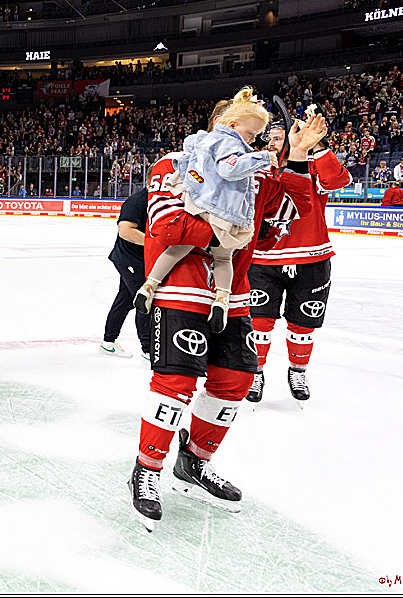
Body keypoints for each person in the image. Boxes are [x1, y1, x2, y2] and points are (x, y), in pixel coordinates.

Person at [128, 109, 326, 532]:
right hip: (179, 288)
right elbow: (167, 228)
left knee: (236, 380)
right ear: (224, 124)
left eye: (257, 136)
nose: (251, 140)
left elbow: (293, 212)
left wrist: (299, 154)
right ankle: (147, 468)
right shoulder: (176, 164)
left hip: (231, 296)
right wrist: (233, 226)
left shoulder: (255, 176)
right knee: (175, 384)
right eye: (245, 130)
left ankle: (194, 462)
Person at [134, 88, 277, 334]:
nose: (254, 140)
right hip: (219, 208)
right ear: (229, 123)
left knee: (178, 249)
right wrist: (262, 158)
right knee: (223, 256)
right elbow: (230, 169)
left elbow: (190, 151)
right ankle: (222, 298)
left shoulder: (201, 139)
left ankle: (148, 285)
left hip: (196, 202)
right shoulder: (231, 143)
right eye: (252, 133)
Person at [247, 115, 351, 404]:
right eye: (270, 139)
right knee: (259, 321)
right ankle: (255, 372)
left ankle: (298, 370)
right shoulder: (259, 165)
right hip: (264, 258)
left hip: (311, 257)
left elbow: (337, 180)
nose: (271, 143)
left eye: (278, 138)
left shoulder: (313, 165)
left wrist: (314, 146)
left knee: (303, 323)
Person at [101, 184, 150, 360]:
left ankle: (108, 342)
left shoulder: (156, 200)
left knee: (125, 300)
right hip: (129, 260)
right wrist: (155, 244)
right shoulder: (137, 201)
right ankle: (148, 350)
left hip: (137, 259)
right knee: (144, 299)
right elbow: (125, 231)